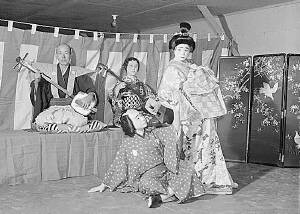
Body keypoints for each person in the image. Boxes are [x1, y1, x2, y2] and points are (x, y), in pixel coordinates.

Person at [158, 27, 237, 194]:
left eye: (186, 49)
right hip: (187, 115)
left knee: (208, 144)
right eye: (179, 49)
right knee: (191, 146)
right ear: (173, 50)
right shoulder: (172, 69)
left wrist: (201, 76)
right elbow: (164, 94)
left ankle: (210, 178)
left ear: (190, 51)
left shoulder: (193, 67)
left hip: (203, 113)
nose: (183, 52)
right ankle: (191, 180)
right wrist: (181, 98)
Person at [88, 109, 205, 208]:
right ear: (129, 124)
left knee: (188, 169)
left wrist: (176, 112)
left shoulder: (154, 133)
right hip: (148, 174)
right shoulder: (127, 144)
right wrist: (104, 184)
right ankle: (171, 194)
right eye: (137, 118)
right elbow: (118, 163)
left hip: (166, 168)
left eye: (141, 115)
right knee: (146, 183)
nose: (142, 118)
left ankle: (162, 198)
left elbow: (172, 131)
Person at [30, 43, 98, 130]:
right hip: (53, 109)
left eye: (66, 53)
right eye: (60, 53)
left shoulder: (78, 73)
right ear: (56, 56)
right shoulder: (48, 73)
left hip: (71, 109)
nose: (63, 57)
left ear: (71, 54)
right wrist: (37, 81)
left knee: (80, 122)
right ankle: (63, 128)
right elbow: (39, 94)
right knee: (40, 121)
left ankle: (55, 128)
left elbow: (90, 89)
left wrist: (89, 96)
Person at [108, 57, 172, 127]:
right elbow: (112, 98)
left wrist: (159, 100)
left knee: (155, 122)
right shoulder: (120, 84)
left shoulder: (141, 85)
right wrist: (117, 89)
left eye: (136, 66)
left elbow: (152, 96)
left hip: (139, 113)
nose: (133, 68)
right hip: (126, 113)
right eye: (131, 66)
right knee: (133, 123)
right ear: (126, 67)